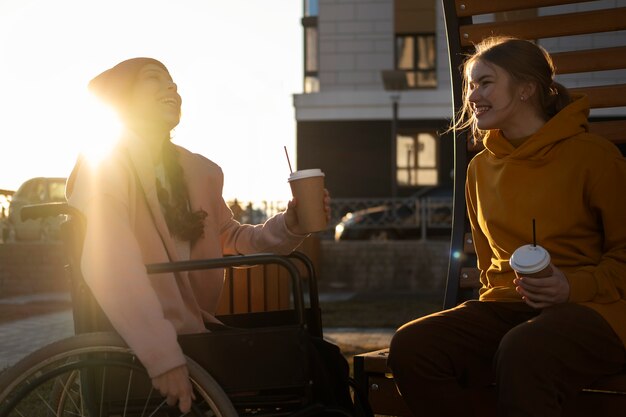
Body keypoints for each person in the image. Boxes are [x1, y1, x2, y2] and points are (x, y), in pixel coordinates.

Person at [66, 58, 332, 413]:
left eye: (173, 81)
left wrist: (291, 225)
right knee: (312, 368)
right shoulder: (105, 166)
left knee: (323, 357)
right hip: (143, 337)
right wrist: (161, 356)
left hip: (194, 330)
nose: (172, 87)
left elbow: (231, 238)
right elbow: (109, 260)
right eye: (154, 79)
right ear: (122, 100)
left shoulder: (196, 171)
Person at [387, 37, 626, 417]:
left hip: (595, 311)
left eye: (485, 82)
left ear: (526, 89)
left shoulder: (593, 158)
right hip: (509, 311)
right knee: (414, 346)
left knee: (525, 349)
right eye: (470, 85)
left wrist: (570, 286)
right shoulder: (479, 169)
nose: (473, 95)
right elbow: (487, 265)